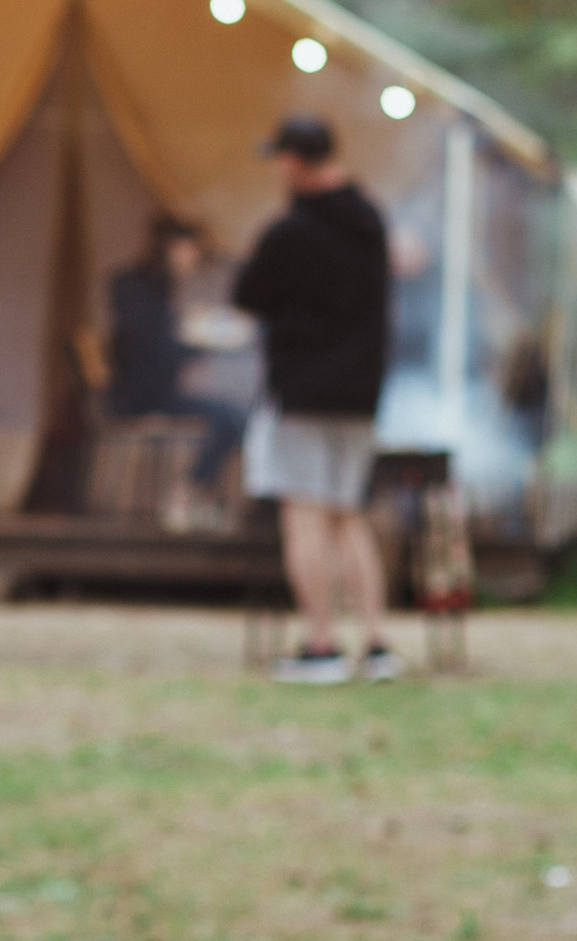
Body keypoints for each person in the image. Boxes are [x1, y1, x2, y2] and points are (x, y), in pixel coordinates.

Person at [232, 114, 398, 683]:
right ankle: (376, 644)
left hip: (302, 393)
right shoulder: (371, 221)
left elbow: (247, 294)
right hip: (360, 394)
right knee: (347, 515)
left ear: (293, 162)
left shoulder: (291, 232)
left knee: (304, 515)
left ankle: (321, 644)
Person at [104, 214, 250, 523]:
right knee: (229, 418)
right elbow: (145, 348)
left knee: (232, 413)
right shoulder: (137, 288)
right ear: (171, 248)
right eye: (190, 249)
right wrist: (194, 338)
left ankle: (196, 492)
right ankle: (191, 491)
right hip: (139, 395)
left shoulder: (157, 290)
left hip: (153, 389)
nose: (193, 259)